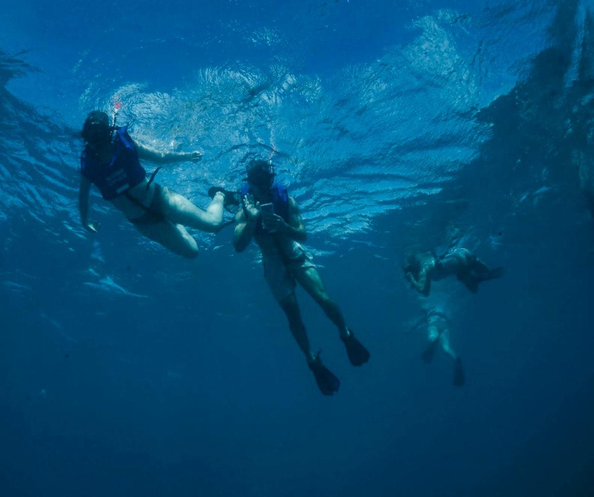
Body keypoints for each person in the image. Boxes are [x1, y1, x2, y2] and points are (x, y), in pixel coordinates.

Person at [230, 160, 370, 396]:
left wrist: (285, 227)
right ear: (249, 183)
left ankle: (346, 333)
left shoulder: (287, 202)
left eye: (266, 181)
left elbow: (302, 235)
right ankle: (312, 359)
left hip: (295, 253)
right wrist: (253, 220)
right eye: (257, 183)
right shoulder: (244, 211)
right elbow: (238, 246)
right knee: (293, 315)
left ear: (271, 180)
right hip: (273, 263)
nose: (262, 187)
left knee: (323, 298)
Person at [78, 111, 235, 259]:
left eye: (100, 134)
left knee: (214, 224)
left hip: (162, 200)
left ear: (109, 132)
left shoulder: (125, 146)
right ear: (86, 137)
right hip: (144, 222)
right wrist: (85, 221)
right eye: (91, 136)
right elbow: (83, 197)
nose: (96, 141)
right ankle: (174, 222)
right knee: (191, 251)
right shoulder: (88, 167)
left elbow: (159, 156)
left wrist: (187, 156)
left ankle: (219, 195)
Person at [403, 246, 505, 297]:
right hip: (462, 252)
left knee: (473, 284)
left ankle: (480, 277)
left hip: (457, 260)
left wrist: (411, 278)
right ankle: (484, 276)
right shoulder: (430, 259)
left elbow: (424, 292)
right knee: (475, 281)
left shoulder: (423, 268)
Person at [412, 307, 465, 386]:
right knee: (446, 348)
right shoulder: (441, 314)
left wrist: (409, 330)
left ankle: (432, 346)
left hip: (433, 325)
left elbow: (417, 324)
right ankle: (456, 359)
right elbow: (450, 323)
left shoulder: (428, 315)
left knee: (432, 337)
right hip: (445, 327)